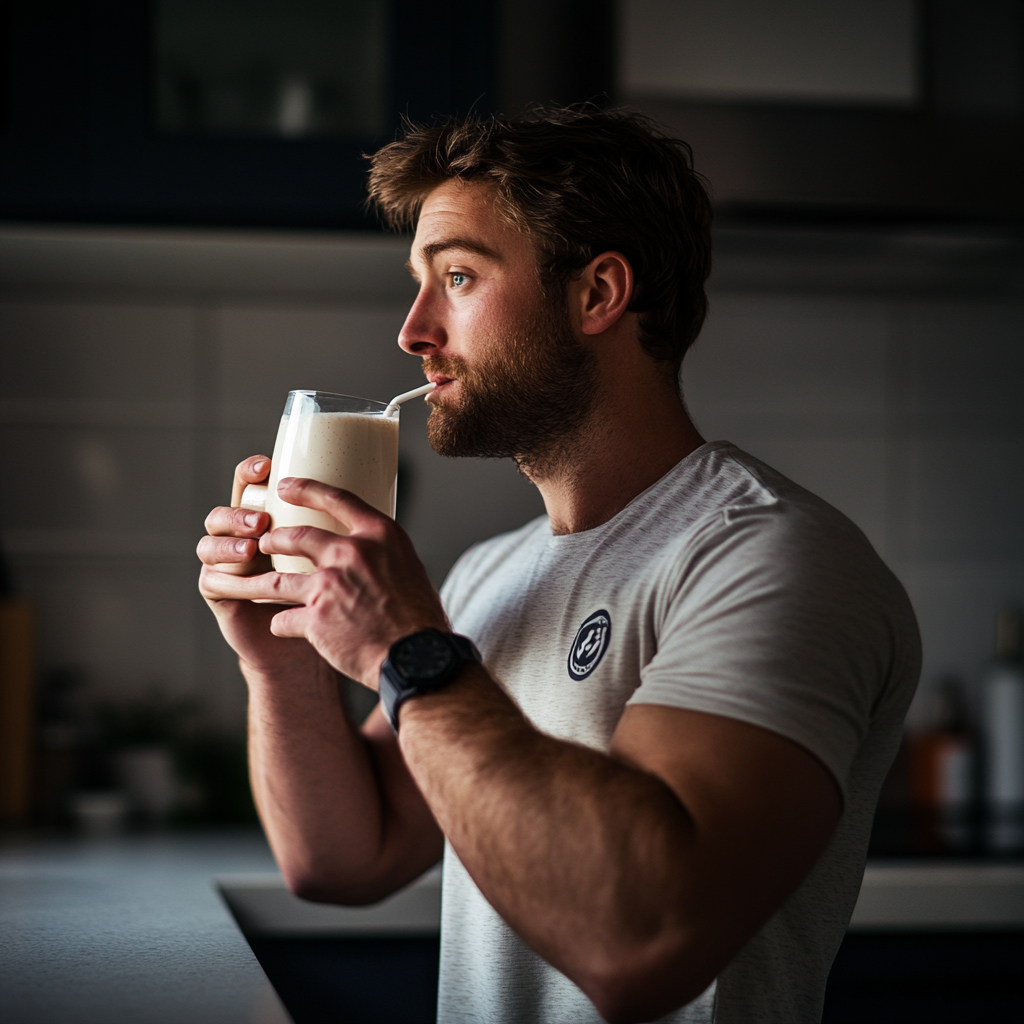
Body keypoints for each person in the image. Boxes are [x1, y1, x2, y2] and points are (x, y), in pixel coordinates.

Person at [197, 107, 920, 1024]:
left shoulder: (771, 556)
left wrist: (411, 649)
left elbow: (643, 942)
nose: (413, 330)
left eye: (457, 276)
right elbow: (347, 859)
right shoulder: (486, 577)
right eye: (420, 282)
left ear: (597, 294)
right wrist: (281, 662)